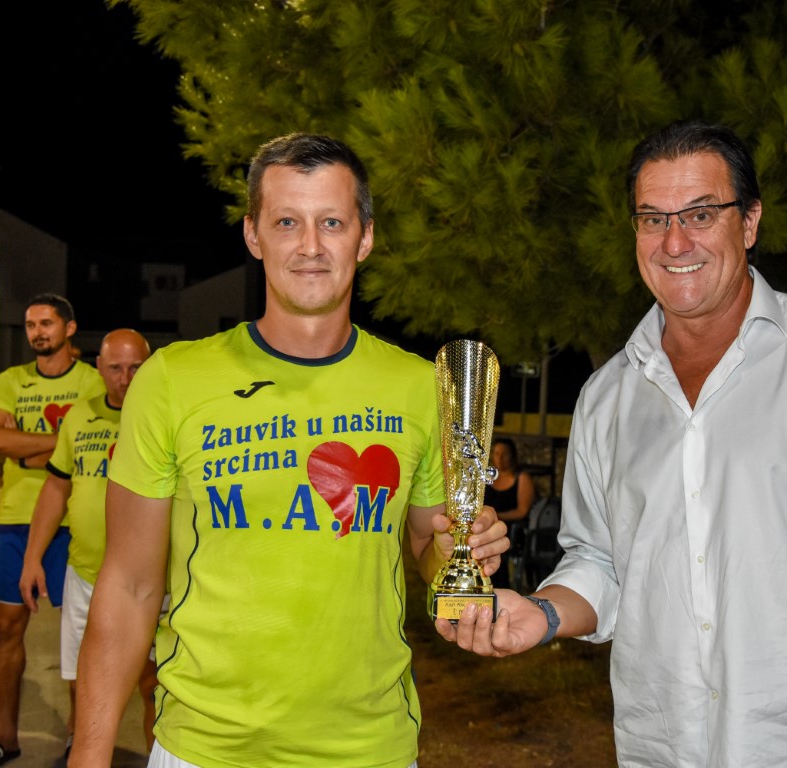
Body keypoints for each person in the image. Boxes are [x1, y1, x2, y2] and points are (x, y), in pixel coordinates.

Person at [437, 118, 787, 768]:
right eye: (652, 219)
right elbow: (602, 563)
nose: (675, 242)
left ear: (749, 223)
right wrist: (541, 614)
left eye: (700, 214)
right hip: (660, 750)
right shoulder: (607, 398)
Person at [67, 133, 508, 768]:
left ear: (364, 237)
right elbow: (130, 585)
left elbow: (425, 545)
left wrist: (463, 553)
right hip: (204, 749)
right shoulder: (172, 380)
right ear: (253, 235)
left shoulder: (419, 386)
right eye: (286, 222)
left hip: (368, 749)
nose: (309, 246)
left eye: (332, 222)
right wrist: (88, 757)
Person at [0, 293, 105, 768]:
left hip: (74, 522)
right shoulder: (10, 381)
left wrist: (28, 452)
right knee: (7, 628)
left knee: (81, 636)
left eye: (46, 323)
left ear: (69, 328)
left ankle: (78, 737)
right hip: (16, 520)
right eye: (30, 325)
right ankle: (5, 737)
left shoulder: (92, 381)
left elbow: (98, 441)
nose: (37, 332)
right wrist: (63, 442)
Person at [18, 329, 156, 758]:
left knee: (154, 684)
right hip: (86, 575)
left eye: (135, 367)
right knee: (85, 680)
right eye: (115, 368)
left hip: (151, 579)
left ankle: (156, 758)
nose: (125, 378)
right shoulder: (79, 416)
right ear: (98, 367)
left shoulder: (163, 415)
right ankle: (85, 752)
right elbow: (56, 489)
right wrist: (32, 558)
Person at [485, 437, 535, 589]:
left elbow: (522, 511)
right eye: (497, 453)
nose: (500, 458)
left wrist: (497, 517)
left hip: (511, 530)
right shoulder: (487, 478)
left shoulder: (522, 478)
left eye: (505, 454)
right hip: (486, 526)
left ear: (512, 455)